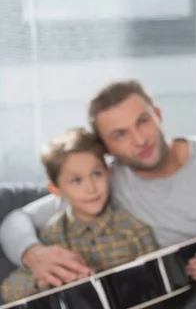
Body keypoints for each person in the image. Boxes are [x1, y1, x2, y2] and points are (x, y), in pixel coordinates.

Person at [0, 80, 196, 309]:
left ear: (159, 116)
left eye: (143, 121)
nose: (139, 140)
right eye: (120, 135)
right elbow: (17, 219)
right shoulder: (106, 183)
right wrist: (32, 254)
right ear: (106, 148)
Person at [0, 127, 161, 303]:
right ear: (56, 189)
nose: (91, 188)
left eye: (96, 174)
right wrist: (42, 281)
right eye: (76, 180)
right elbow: (9, 291)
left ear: (107, 173)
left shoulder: (133, 227)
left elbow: (159, 282)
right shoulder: (52, 235)